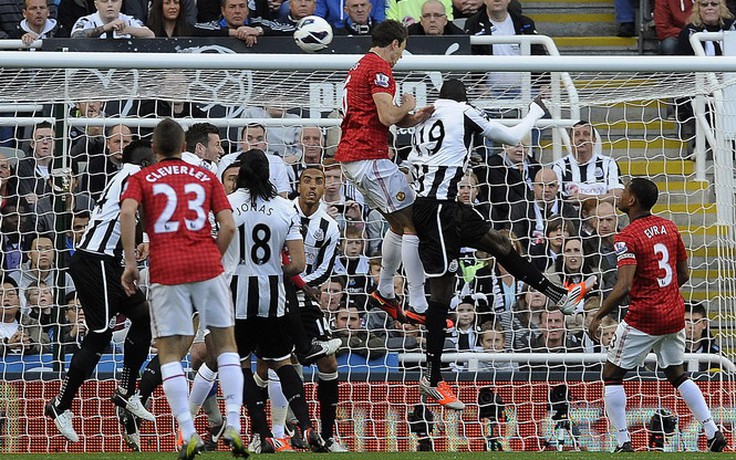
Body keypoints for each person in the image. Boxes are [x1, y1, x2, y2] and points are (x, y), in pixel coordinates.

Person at [408, 79, 593, 410]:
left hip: (448, 207)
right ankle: (432, 378)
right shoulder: (463, 110)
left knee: (501, 244)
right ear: (463, 98)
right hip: (436, 210)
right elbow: (510, 137)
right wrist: (536, 110)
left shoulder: (425, 115)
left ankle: (559, 296)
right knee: (442, 294)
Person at [120, 119, 247, 459]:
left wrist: (131, 262)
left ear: (156, 149)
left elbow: (128, 211)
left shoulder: (142, 177)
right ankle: (233, 423)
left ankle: (187, 432)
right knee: (226, 345)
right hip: (207, 265)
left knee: (169, 352)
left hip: (166, 268)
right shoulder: (207, 176)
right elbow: (229, 225)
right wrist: (213, 258)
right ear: (183, 147)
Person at [588, 178, 726, 453]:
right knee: (677, 374)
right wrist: (664, 294)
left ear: (632, 201)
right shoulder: (669, 227)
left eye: (624, 191)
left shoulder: (627, 237)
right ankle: (712, 431)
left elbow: (625, 286)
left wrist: (599, 315)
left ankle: (623, 441)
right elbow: (683, 274)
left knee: (612, 374)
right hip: (674, 313)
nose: (620, 193)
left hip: (645, 316)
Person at [44, 141, 156, 448]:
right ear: (147, 162)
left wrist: (141, 240)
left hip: (107, 262)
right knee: (100, 334)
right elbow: (126, 214)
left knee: (143, 317)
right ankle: (61, 404)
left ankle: (126, 391)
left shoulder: (129, 177)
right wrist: (132, 261)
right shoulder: (135, 175)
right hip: (94, 261)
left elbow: (136, 213)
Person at [222, 149, 326, 453]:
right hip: (273, 297)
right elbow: (298, 263)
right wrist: (275, 270)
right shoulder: (284, 208)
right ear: (268, 174)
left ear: (241, 173)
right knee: (281, 362)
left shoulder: (226, 206)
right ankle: (306, 427)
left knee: (240, 365)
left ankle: (263, 433)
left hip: (235, 296)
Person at [334, 19, 434, 327]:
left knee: (396, 223)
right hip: (368, 157)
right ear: (395, 43)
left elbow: (384, 118)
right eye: (402, 50)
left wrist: (414, 117)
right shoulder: (379, 68)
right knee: (414, 222)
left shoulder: (360, 66)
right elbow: (388, 114)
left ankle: (385, 289)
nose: (400, 56)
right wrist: (407, 104)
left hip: (357, 158)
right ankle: (418, 301)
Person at [266, 166, 345, 452]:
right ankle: (267, 432)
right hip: (272, 292)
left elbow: (324, 271)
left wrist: (300, 284)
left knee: (328, 362)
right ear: (298, 185)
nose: (312, 186)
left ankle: (327, 435)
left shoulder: (330, 227)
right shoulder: (281, 212)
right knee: (271, 361)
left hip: (304, 296)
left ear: (325, 188)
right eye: (307, 180)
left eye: (319, 181)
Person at [551, 121, 624, 204]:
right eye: (577, 134)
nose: (581, 138)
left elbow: (617, 196)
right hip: (571, 216)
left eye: (586, 134)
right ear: (571, 140)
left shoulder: (608, 163)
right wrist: (601, 198)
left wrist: (585, 198)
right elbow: (556, 199)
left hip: (601, 215)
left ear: (594, 140)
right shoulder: (559, 166)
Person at [192, 0, 294, 45]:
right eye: (232, 7)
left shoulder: (256, 23)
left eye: (242, 6)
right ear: (223, 11)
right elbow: (194, 29)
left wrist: (258, 31)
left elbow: (290, 28)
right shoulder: (214, 25)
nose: (237, 11)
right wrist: (234, 32)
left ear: (247, 10)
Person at [70, 0, 154, 38]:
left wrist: (128, 29)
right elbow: (76, 37)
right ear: (96, 4)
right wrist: (104, 28)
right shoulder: (86, 20)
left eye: (114, 1)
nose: (110, 4)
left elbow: (150, 35)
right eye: (104, 1)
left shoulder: (130, 20)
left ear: (121, 3)